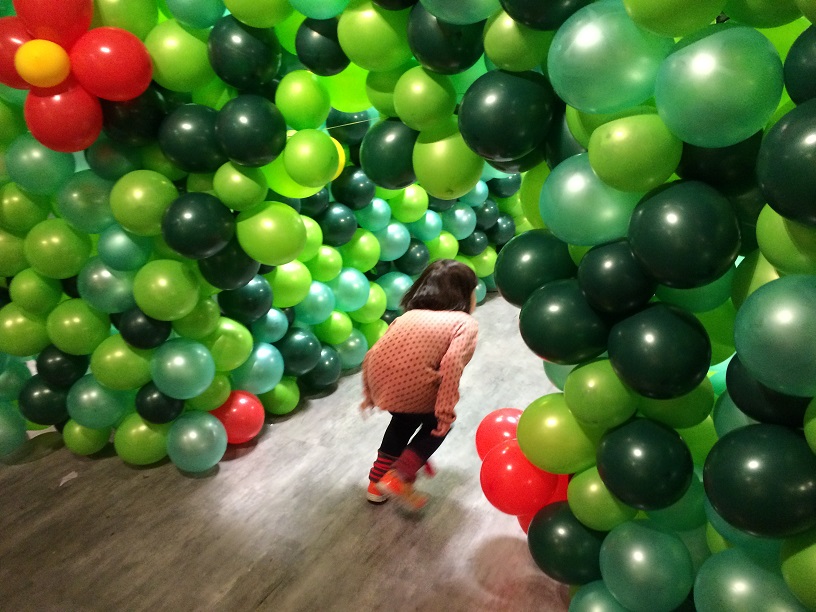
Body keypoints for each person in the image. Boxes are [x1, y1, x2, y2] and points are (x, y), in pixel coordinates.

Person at [360, 259, 480, 511]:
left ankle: (375, 484)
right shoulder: (464, 323)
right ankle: (400, 474)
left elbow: (373, 354)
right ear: (464, 294)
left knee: (402, 422)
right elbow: (452, 365)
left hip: (382, 383)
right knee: (437, 426)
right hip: (416, 387)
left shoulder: (408, 316)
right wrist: (445, 411)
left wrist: (369, 393)